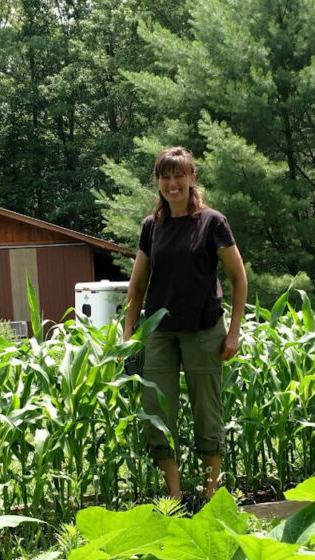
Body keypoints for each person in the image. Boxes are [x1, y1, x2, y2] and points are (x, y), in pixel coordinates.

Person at [123, 146, 247, 501]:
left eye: (179, 175)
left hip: (204, 330)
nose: (172, 183)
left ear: (192, 178)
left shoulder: (211, 223)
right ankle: (174, 499)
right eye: (165, 176)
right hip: (160, 332)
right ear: (158, 182)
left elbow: (239, 279)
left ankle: (208, 499)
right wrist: (129, 333)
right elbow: (138, 284)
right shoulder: (152, 226)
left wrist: (233, 332)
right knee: (158, 415)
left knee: (207, 414)